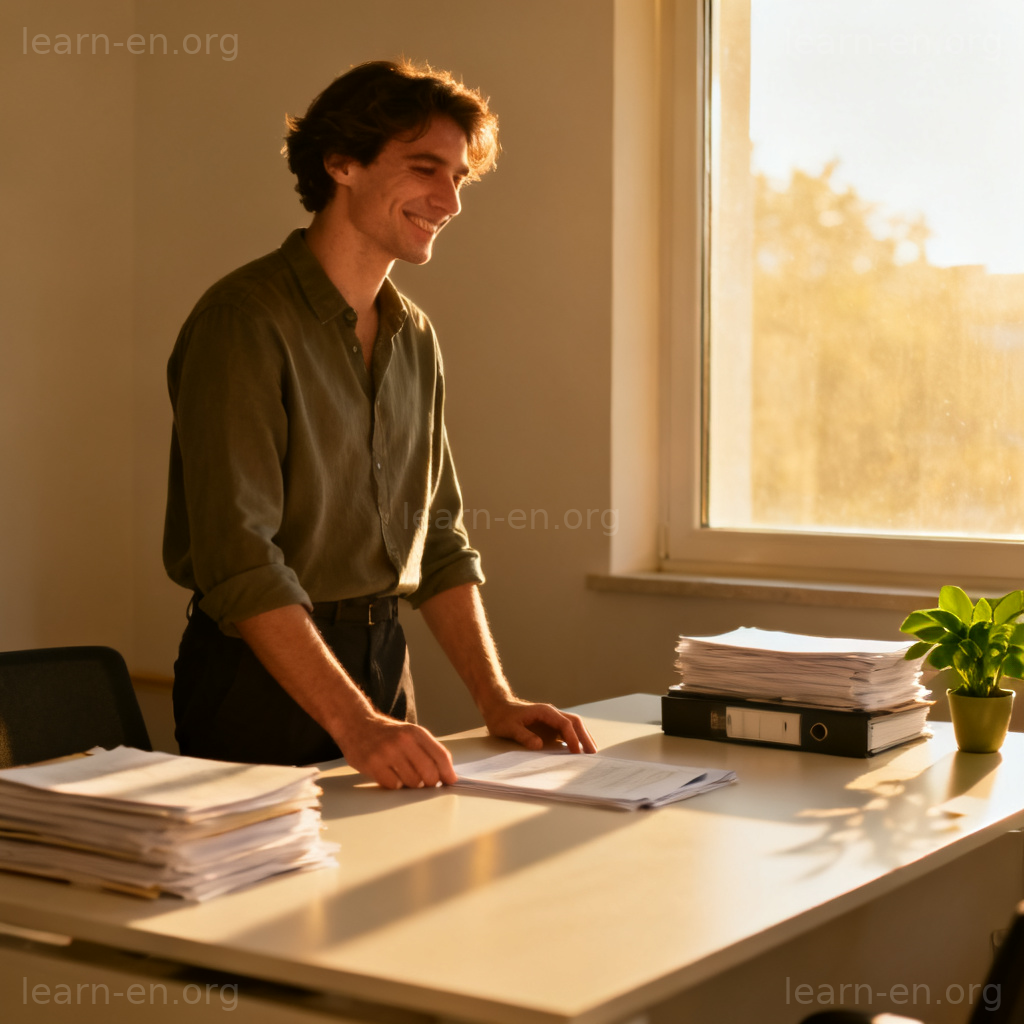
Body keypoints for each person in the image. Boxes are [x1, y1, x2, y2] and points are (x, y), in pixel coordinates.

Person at [163, 59, 596, 786]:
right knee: (268, 901)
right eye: (426, 168)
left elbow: (443, 538)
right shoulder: (243, 322)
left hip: (383, 668)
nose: (448, 200)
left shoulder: (414, 336)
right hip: (256, 681)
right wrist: (354, 721)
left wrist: (495, 698)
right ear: (341, 163)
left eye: (458, 177)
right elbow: (240, 558)